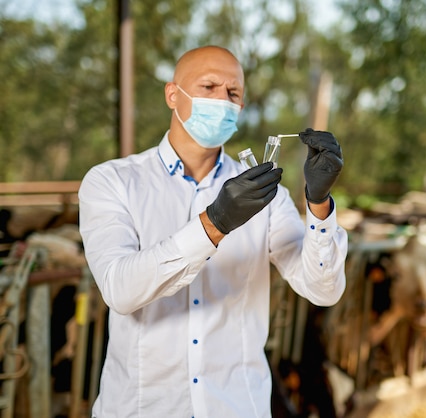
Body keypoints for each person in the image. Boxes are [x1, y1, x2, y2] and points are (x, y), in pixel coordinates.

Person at [78, 45, 347, 417]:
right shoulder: (112, 182)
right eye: (208, 86)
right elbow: (120, 289)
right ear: (173, 95)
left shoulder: (266, 192)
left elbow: (323, 289)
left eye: (233, 93)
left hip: (237, 406)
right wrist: (214, 223)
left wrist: (318, 204)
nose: (223, 99)